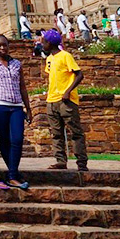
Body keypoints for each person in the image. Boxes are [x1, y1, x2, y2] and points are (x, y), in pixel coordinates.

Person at [0, 35, 33, 189]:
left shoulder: (16, 64)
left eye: (5, 45)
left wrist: (28, 108)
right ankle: (13, 173)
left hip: (17, 106)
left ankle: (12, 175)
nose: (2, 48)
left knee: (17, 139)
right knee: (4, 141)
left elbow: (23, 87)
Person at [41, 29, 88, 171]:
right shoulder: (49, 59)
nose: (42, 45)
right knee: (56, 133)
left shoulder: (65, 56)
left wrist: (68, 91)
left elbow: (79, 75)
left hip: (66, 101)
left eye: (44, 42)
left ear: (49, 43)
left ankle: (81, 162)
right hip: (52, 100)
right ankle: (60, 160)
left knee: (75, 132)